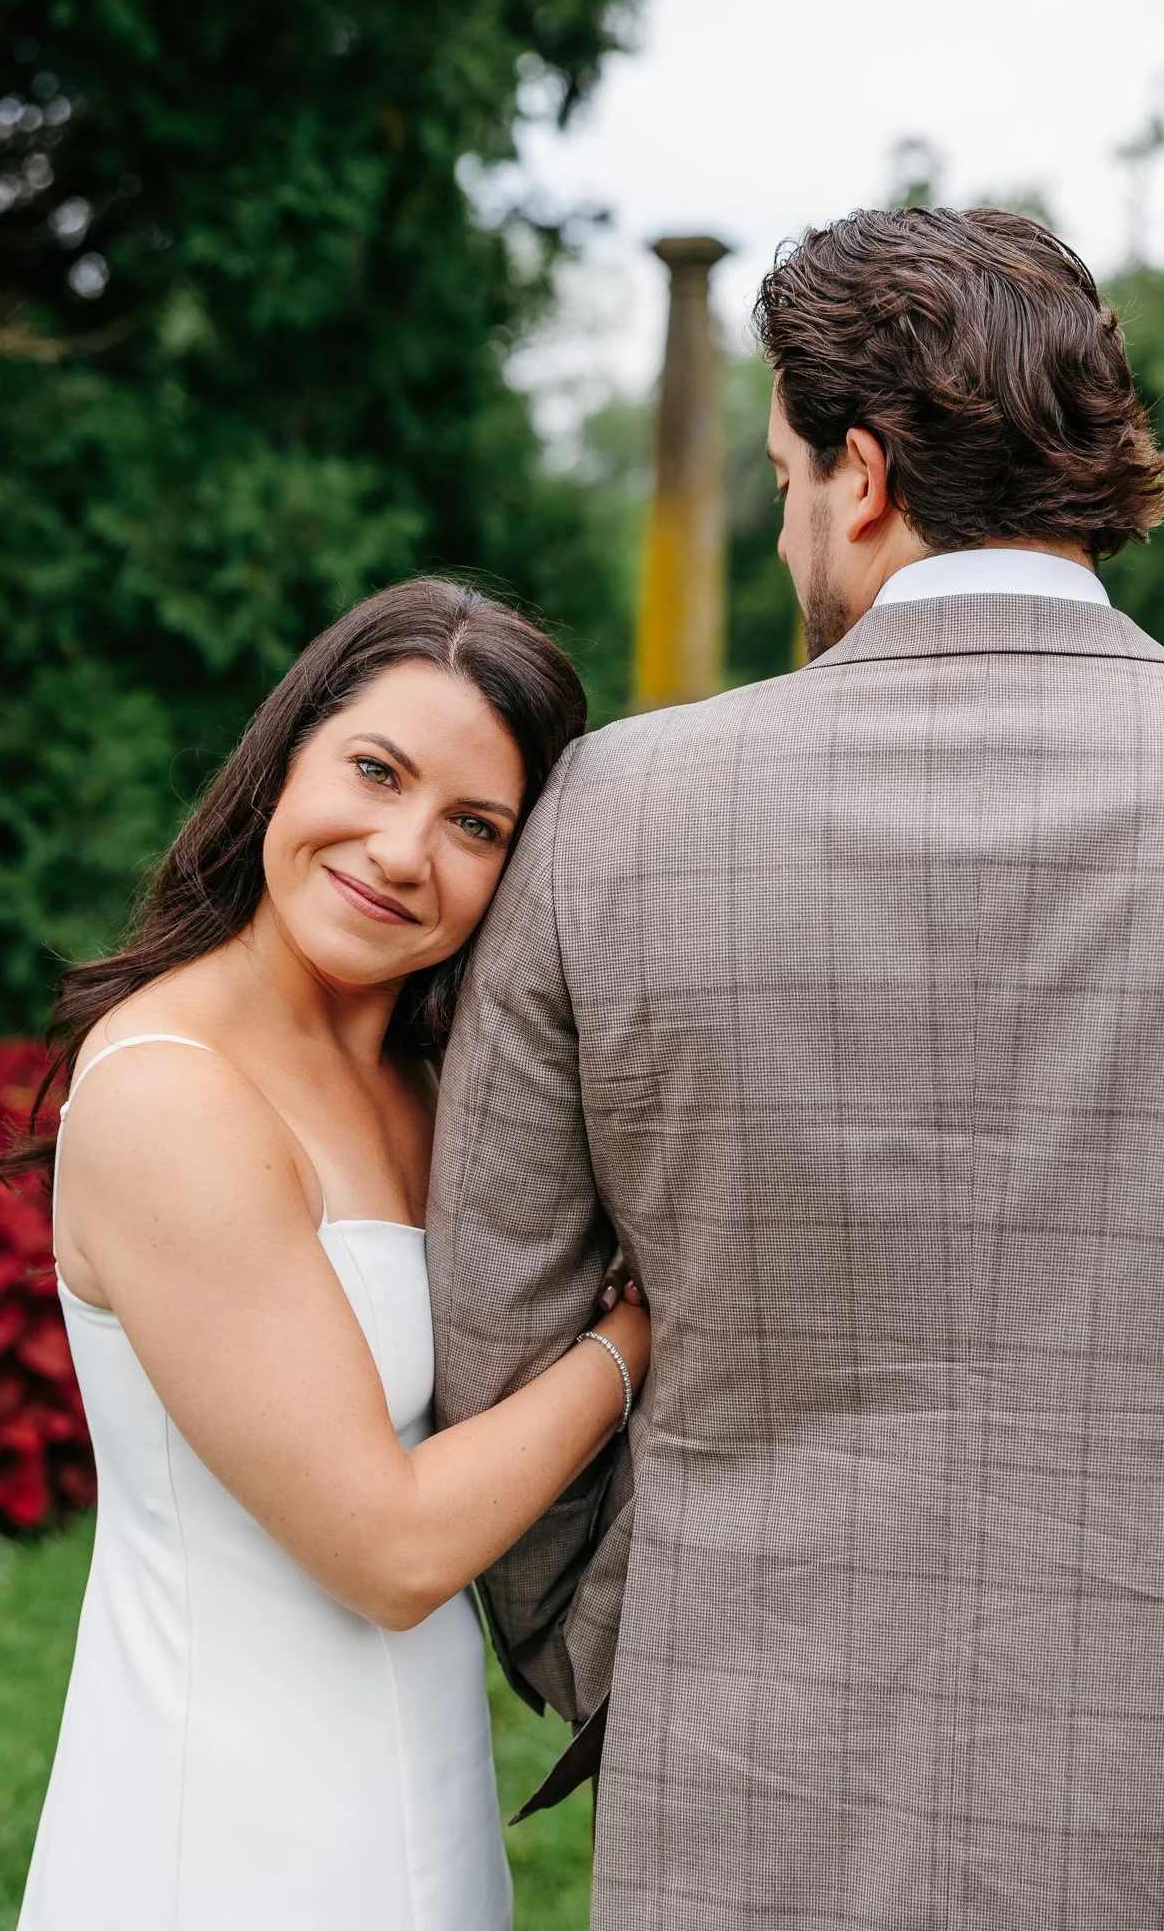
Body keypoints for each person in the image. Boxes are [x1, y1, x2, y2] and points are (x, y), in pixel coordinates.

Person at [428, 207, 1164, 1928]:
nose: (782, 535)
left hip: (748, 1777)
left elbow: (494, 1315)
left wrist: (646, 1640)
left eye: (779, 482)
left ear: (866, 472)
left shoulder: (615, 812)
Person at [3, 578, 650, 1931]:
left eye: (475, 825)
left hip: (416, 1794)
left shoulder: (431, 1083)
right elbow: (393, 1547)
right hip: (226, 1834)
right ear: (284, 754)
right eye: (375, 769)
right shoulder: (174, 1094)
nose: (404, 851)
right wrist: (628, 1343)